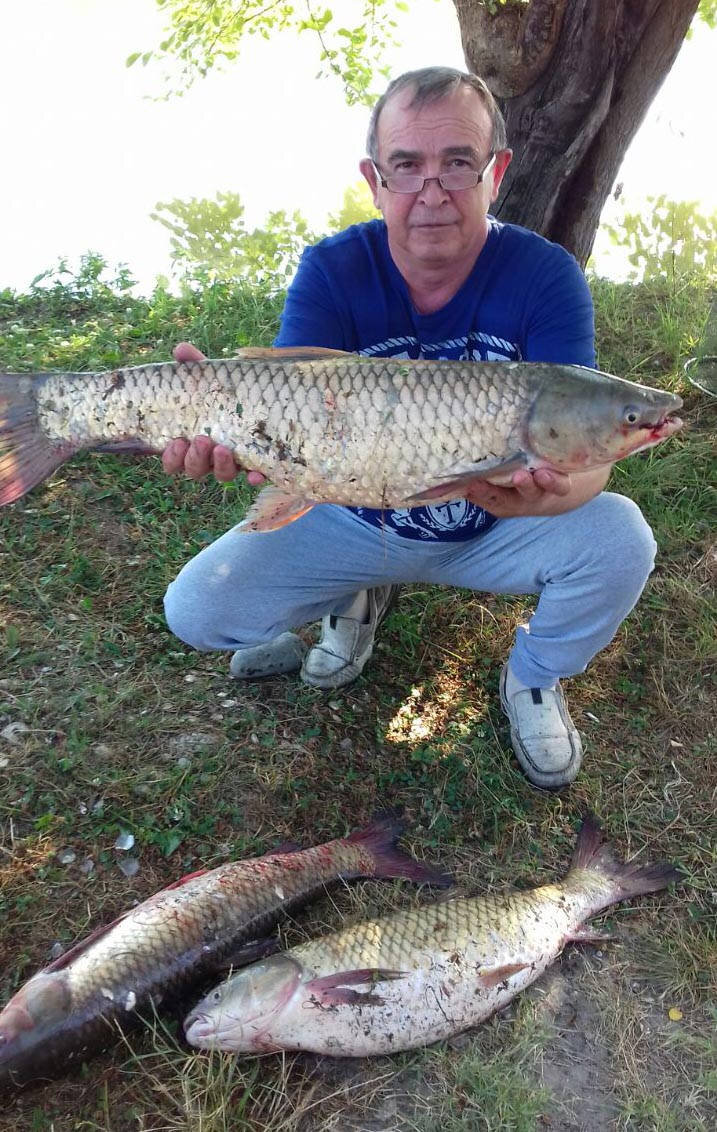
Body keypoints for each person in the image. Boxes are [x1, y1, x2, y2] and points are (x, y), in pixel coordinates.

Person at [162, 67, 656, 790]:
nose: (432, 191)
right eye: (407, 166)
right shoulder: (333, 269)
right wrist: (216, 425)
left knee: (619, 538)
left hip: (491, 528)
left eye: (458, 162)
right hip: (351, 514)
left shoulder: (544, 275)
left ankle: (533, 676)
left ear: (497, 171)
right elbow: (292, 419)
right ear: (375, 178)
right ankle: (355, 595)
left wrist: (533, 499)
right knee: (198, 610)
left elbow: (587, 465)